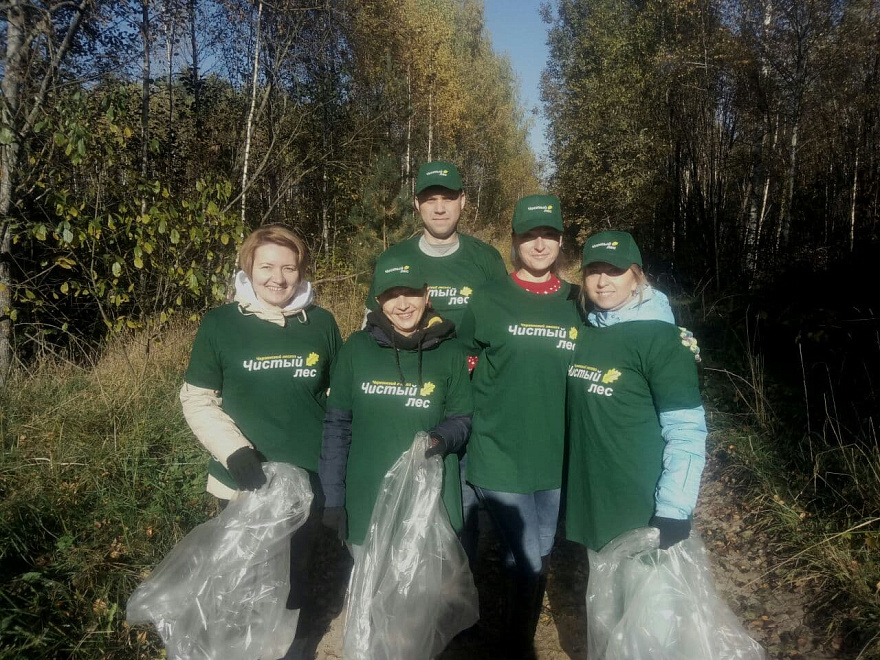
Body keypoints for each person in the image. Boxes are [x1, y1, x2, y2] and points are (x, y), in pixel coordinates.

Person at [179, 224, 342, 659]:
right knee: (244, 580)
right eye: (266, 265)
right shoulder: (220, 324)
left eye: (289, 267)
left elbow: (335, 399)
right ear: (247, 267)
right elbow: (197, 400)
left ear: (302, 271)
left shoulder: (322, 324)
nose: (278, 277)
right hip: (242, 483)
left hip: (308, 481)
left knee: (296, 575)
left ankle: (294, 649)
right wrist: (234, 450)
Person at [456, 194, 582, 659]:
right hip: (497, 451)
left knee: (535, 552)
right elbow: (461, 361)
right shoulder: (488, 298)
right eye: (530, 235)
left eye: (548, 234)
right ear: (514, 241)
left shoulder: (577, 300)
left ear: (560, 241)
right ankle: (515, 646)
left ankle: (508, 629)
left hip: (553, 454)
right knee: (530, 558)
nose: (539, 243)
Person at [365, 160, 507, 565]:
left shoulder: (486, 260)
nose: (440, 207)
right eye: (431, 199)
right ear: (417, 204)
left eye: (449, 198)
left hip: (471, 401)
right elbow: (372, 328)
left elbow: (502, 327)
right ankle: (403, 588)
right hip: (408, 401)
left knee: (460, 501)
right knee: (406, 497)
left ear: (464, 201)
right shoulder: (394, 259)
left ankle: (455, 595)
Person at [564, 230, 707, 553]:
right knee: (606, 600)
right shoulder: (588, 331)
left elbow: (686, 430)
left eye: (614, 270)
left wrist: (673, 508)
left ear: (636, 277)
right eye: (593, 271)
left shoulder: (664, 339)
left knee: (646, 600)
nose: (602, 281)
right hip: (595, 501)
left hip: (643, 505)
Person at [320, 256, 473, 553]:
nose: (402, 304)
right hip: (367, 501)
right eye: (391, 295)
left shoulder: (450, 351)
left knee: (426, 597)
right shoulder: (356, 349)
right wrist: (334, 499)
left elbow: (462, 419)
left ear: (426, 295)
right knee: (371, 594)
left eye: (411, 293)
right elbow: (337, 427)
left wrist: (440, 438)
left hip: (429, 502)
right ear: (378, 301)